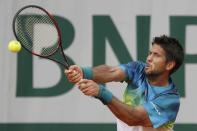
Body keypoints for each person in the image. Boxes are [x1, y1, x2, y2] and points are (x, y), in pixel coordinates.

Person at [64, 35, 184, 131]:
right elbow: (111, 71)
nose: (149, 58)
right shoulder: (138, 69)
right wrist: (84, 72)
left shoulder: (169, 100)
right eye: (150, 53)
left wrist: (101, 92)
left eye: (156, 55)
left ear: (169, 64)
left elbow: (133, 117)